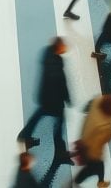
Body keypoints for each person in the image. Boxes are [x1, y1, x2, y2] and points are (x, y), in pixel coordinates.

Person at [17, 37, 72, 165]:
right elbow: (62, 85)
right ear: (58, 48)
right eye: (63, 46)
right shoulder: (57, 69)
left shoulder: (47, 52)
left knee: (38, 115)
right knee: (59, 127)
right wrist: (67, 98)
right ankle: (60, 153)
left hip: (44, 96)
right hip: (54, 102)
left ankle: (24, 136)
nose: (65, 48)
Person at [73, 94, 111, 187]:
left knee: (97, 167)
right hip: (91, 151)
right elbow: (109, 137)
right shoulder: (105, 126)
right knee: (93, 168)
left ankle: (100, 181)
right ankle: (78, 182)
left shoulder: (97, 102)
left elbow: (90, 104)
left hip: (84, 137)